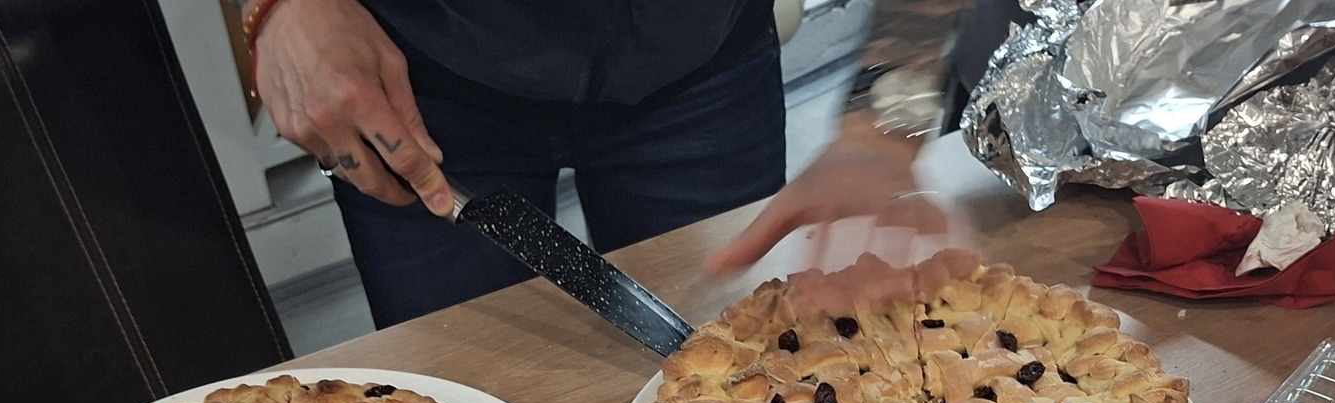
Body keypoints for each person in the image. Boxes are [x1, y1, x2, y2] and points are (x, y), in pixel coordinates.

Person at [245, 0, 973, 327]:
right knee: (455, 401)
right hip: (417, 71)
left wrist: (885, 120)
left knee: (740, 361)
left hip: (698, 56)